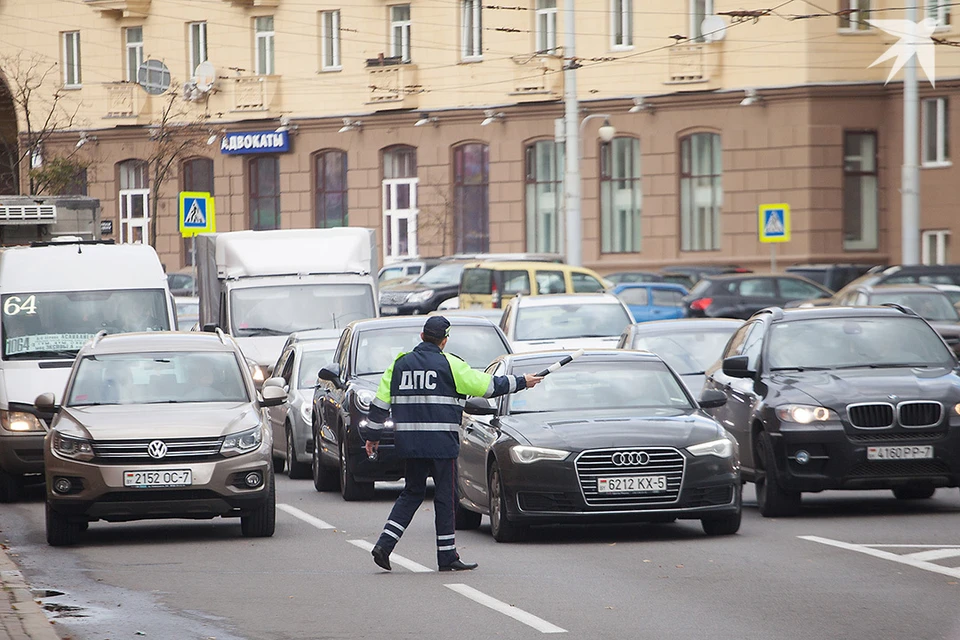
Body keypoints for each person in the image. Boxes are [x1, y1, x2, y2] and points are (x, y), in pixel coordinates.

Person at [363, 315, 543, 572]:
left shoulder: (399, 364)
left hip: (411, 445)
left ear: (422, 336)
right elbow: (488, 386)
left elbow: (380, 404)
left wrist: (372, 437)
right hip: (441, 446)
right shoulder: (451, 365)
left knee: (411, 493)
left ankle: (384, 544)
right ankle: (446, 555)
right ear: (444, 340)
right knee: (446, 498)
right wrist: (522, 381)